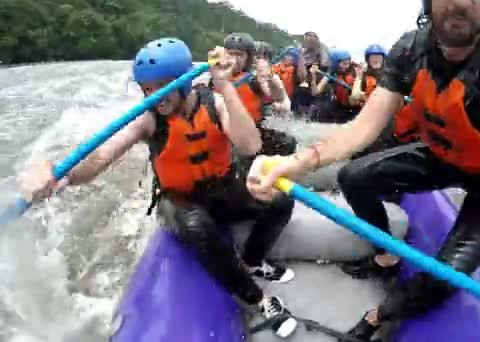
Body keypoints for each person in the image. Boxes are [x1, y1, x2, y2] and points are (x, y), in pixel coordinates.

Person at [244, 0, 480, 340]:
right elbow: (361, 129)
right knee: (353, 177)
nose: (461, 3)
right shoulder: (410, 50)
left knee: (448, 274)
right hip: (442, 155)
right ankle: (385, 255)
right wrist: (293, 165)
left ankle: (378, 317)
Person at [18, 38, 299, 338]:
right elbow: (100, 157)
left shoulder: (215, 102)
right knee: (196, 225)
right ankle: (257, 299)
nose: (155, 97)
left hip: (223, 188)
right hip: (180, 201)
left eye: (162, 86)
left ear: (185, 83)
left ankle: (253, 262)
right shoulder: (148, 120)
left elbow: (251, 145)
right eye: (147, 89)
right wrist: (59, 176)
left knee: (281, 201)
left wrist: (227, 86)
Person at [222, 33, 297, 158]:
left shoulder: (256, 80)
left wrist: (270, 77)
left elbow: (276, 96)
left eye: (240, 55)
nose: (234, 58)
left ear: (248, 58)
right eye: (231, 53)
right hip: (224, 132)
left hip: (251, 132)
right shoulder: (214, 77)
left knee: (288, 143)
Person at [310, 49, 363, 123]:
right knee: (318, 110)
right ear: (335, 63)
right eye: (344, 64)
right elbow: (315, 92)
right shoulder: (331, 74)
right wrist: (313, 75)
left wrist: (359, 76)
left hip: (356, 106)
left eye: (348, 63)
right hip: (341, 106)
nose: (347, 66)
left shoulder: (356, 70)